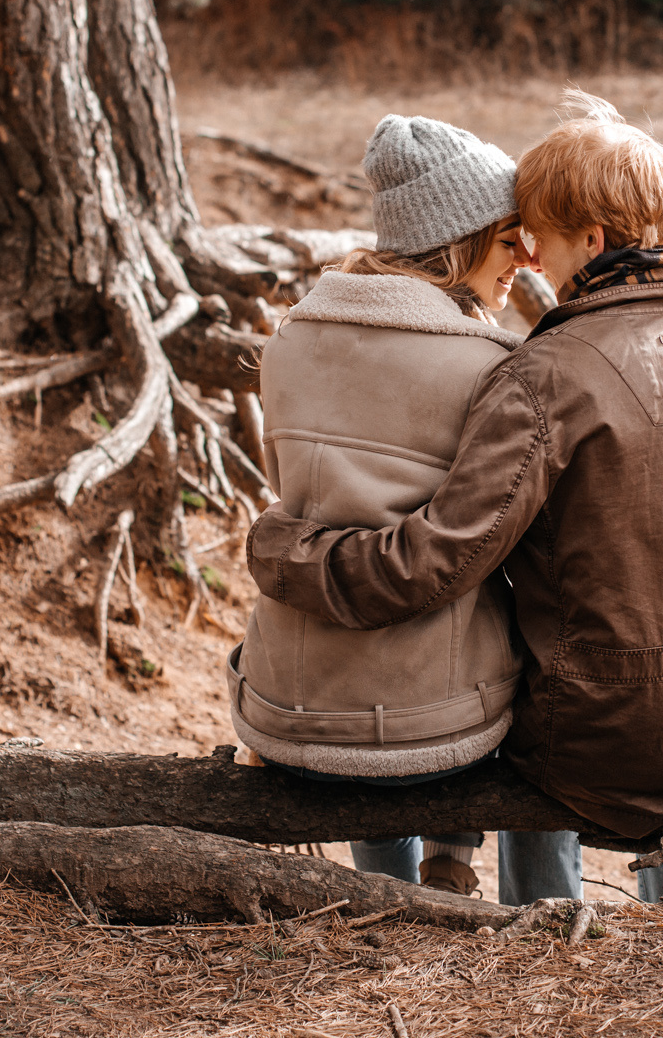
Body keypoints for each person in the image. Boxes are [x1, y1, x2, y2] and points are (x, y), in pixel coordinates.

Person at [248, 90, 663, 903]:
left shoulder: (545, 372)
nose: (532, 259)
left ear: (594, 239)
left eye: (538, 234)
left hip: (585, 741)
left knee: (525, 685)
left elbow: (441, 556)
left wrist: (285, 552)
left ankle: (543, 919)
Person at [228, 112, 572, 899]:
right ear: (460, 237)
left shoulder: (286, 342)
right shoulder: (494, 367)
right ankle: (465, 860)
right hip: (429, 729)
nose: (526, 256)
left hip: (288, 704)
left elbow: (309, 526)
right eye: (509, 234)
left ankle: (385, 890)